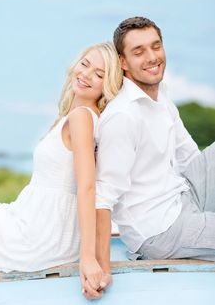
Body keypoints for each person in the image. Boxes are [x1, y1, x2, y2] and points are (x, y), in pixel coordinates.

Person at [91, 16, 215, 298]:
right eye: (139, 52)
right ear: (123, 62)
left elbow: (189, 157)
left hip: (184, 197)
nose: (152, 57)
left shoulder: (162, 97)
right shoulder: (123, 116)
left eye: (155, 46)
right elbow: (104, 196)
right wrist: (100, 265)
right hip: (160, 230)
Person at [0, 42, 123, 298]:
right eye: (85, 64)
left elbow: (88, 186)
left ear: (107, 85)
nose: (86, 75)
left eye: (99, 74)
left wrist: (89, 260)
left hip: (41, 233)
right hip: (35, 219)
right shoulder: (80, 115)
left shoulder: (82, 117)